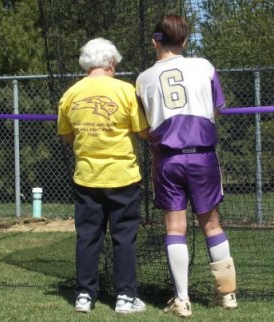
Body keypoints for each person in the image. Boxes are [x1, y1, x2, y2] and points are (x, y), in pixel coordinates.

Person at [136, 15, 237, 317]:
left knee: (175, 227)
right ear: (185, 41)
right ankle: (227, 294)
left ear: (155, 41)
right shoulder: (204, 66)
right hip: (202, 155)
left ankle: (182, 300)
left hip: (167, 159)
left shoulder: (143, 79)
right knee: (212, 224)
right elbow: (217, 110)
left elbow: (143, 128)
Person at [57, 37, 149, 314]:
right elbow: (143, 132)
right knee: (124, 238)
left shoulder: (70, 94)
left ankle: (84, 295)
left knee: (87, 237)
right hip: (123, 177)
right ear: (111, 62)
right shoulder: (125, 91)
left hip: (86, 178)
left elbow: (66, 137)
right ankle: (125, 296)